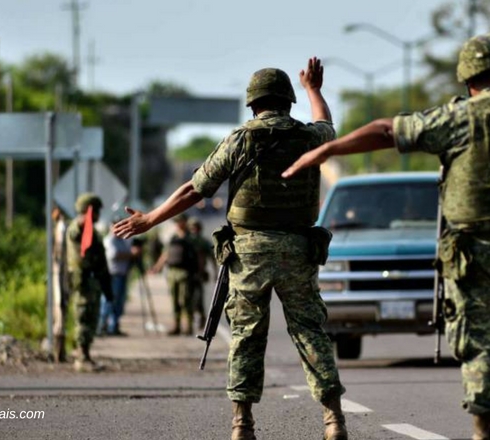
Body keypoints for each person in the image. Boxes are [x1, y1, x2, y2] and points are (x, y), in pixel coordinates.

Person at [282, 36, 490, 440]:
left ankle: (486, 432)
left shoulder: (459, 118)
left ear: (468, 78)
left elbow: (389, 130)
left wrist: (328, 151)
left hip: (477, 260)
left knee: (482, 354)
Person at [113, 58, 348, 440]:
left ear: (252, 104)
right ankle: (333, 420)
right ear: (288, 102)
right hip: (298, 249)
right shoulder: (309, 137)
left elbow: (194, 189)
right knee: (311, 333)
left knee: (246, 335)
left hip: (250, 252)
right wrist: (314, 89)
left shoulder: (240, 139)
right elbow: (329, 127)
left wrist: (150, 220)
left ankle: (242, 423)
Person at [66, 193, 114, 372]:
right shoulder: (78, 228)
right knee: (83, 317)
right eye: (96, 211)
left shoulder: (92, 230)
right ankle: (81, 357)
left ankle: (86, 355)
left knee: (91, 319)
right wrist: (83, 218)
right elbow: (75, 232)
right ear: (89, 211)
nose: (99, 214)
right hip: (83, 281)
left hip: (93, 281)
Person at [151, 213, 201, 336]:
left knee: (185, 300)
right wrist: (157, 267)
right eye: (176, 222)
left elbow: (200, 256)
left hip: (185, 272)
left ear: (185, 222)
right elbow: (166, 254)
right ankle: (176, 325)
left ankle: (188, 326)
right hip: (172, 272)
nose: (178, 224)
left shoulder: (191, 238)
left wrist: (200, 272)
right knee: (174, 301)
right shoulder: (173, 237)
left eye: (180, 221)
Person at [99, 213, 140, 336]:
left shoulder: (123, 240)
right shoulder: (109, 240)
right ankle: (101, 326)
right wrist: (132, 254)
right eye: (116, 225)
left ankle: (114, 326)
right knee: (109, 301)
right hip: (112, 275)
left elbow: (129, 251)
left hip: (122, 274)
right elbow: (114, 255)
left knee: (119, 303)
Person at [188, 217, 216, 329]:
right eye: (192, 228)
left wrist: (215, 273)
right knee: (187, 298)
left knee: (198, 298)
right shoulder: (187, 240)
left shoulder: (203, 242)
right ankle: (189, 321)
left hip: (199, 273)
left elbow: (212, 259)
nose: (194, 230)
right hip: (187, 273)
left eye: (196, 228)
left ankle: (202, 319)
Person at [52, 206, 70, 362]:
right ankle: (58, 351)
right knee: (58, 312)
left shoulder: (63, 228)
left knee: (61, 311)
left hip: (63, 276)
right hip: (58, 274)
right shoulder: (59, 228)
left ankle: (60, 351)